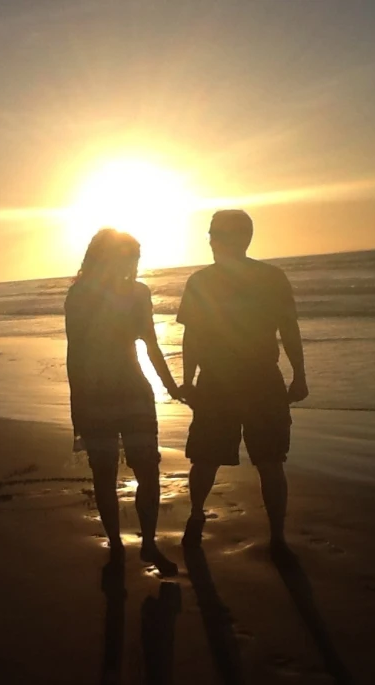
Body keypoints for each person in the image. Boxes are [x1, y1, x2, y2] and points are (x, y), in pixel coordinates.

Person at [177, 210, 308, 555]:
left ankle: (204, 518)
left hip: (227, 381)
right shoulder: (269, 277)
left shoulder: (203, 281)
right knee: (259, 460)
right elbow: (288, 330)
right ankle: (268, 534)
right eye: (210, 233)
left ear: (237, 238)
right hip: (256, 380)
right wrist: (299, 375)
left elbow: (193, 337)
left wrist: (188, 381)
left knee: (236, 459)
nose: (210, 240)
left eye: (215, 234)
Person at [65, 228, 180, 576]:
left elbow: (150, 342)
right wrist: (77, 405)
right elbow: (75, 352)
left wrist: (172, 387)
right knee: (105, 474)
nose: (130, 264)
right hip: (96, 396)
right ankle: (116, 545)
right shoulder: (79, 297)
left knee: (148, 470)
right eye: (125, 256)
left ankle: (148, 542)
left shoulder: (138, 293)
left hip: (134, 391)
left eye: (133, 258)